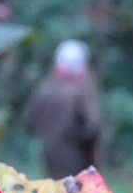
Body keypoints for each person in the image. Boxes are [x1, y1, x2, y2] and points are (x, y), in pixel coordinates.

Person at [26, 40, 104, 178]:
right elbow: (93, 128)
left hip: (50, 159)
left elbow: (31, 121)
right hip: (77, 162)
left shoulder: (44, 89)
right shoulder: (80, 92)